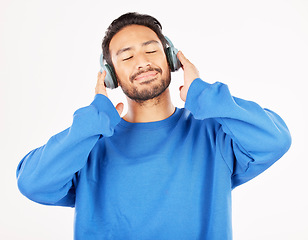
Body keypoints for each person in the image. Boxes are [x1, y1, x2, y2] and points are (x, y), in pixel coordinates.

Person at [16, 12, 291, 240]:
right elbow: (32, 183)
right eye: (126, 57)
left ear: (171, 59)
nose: (143, 61)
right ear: (111, 75)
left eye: (151, 49)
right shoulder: (89, 144)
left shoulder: (213, 133)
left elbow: (274, 140)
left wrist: (204, 95)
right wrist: (91, 121)